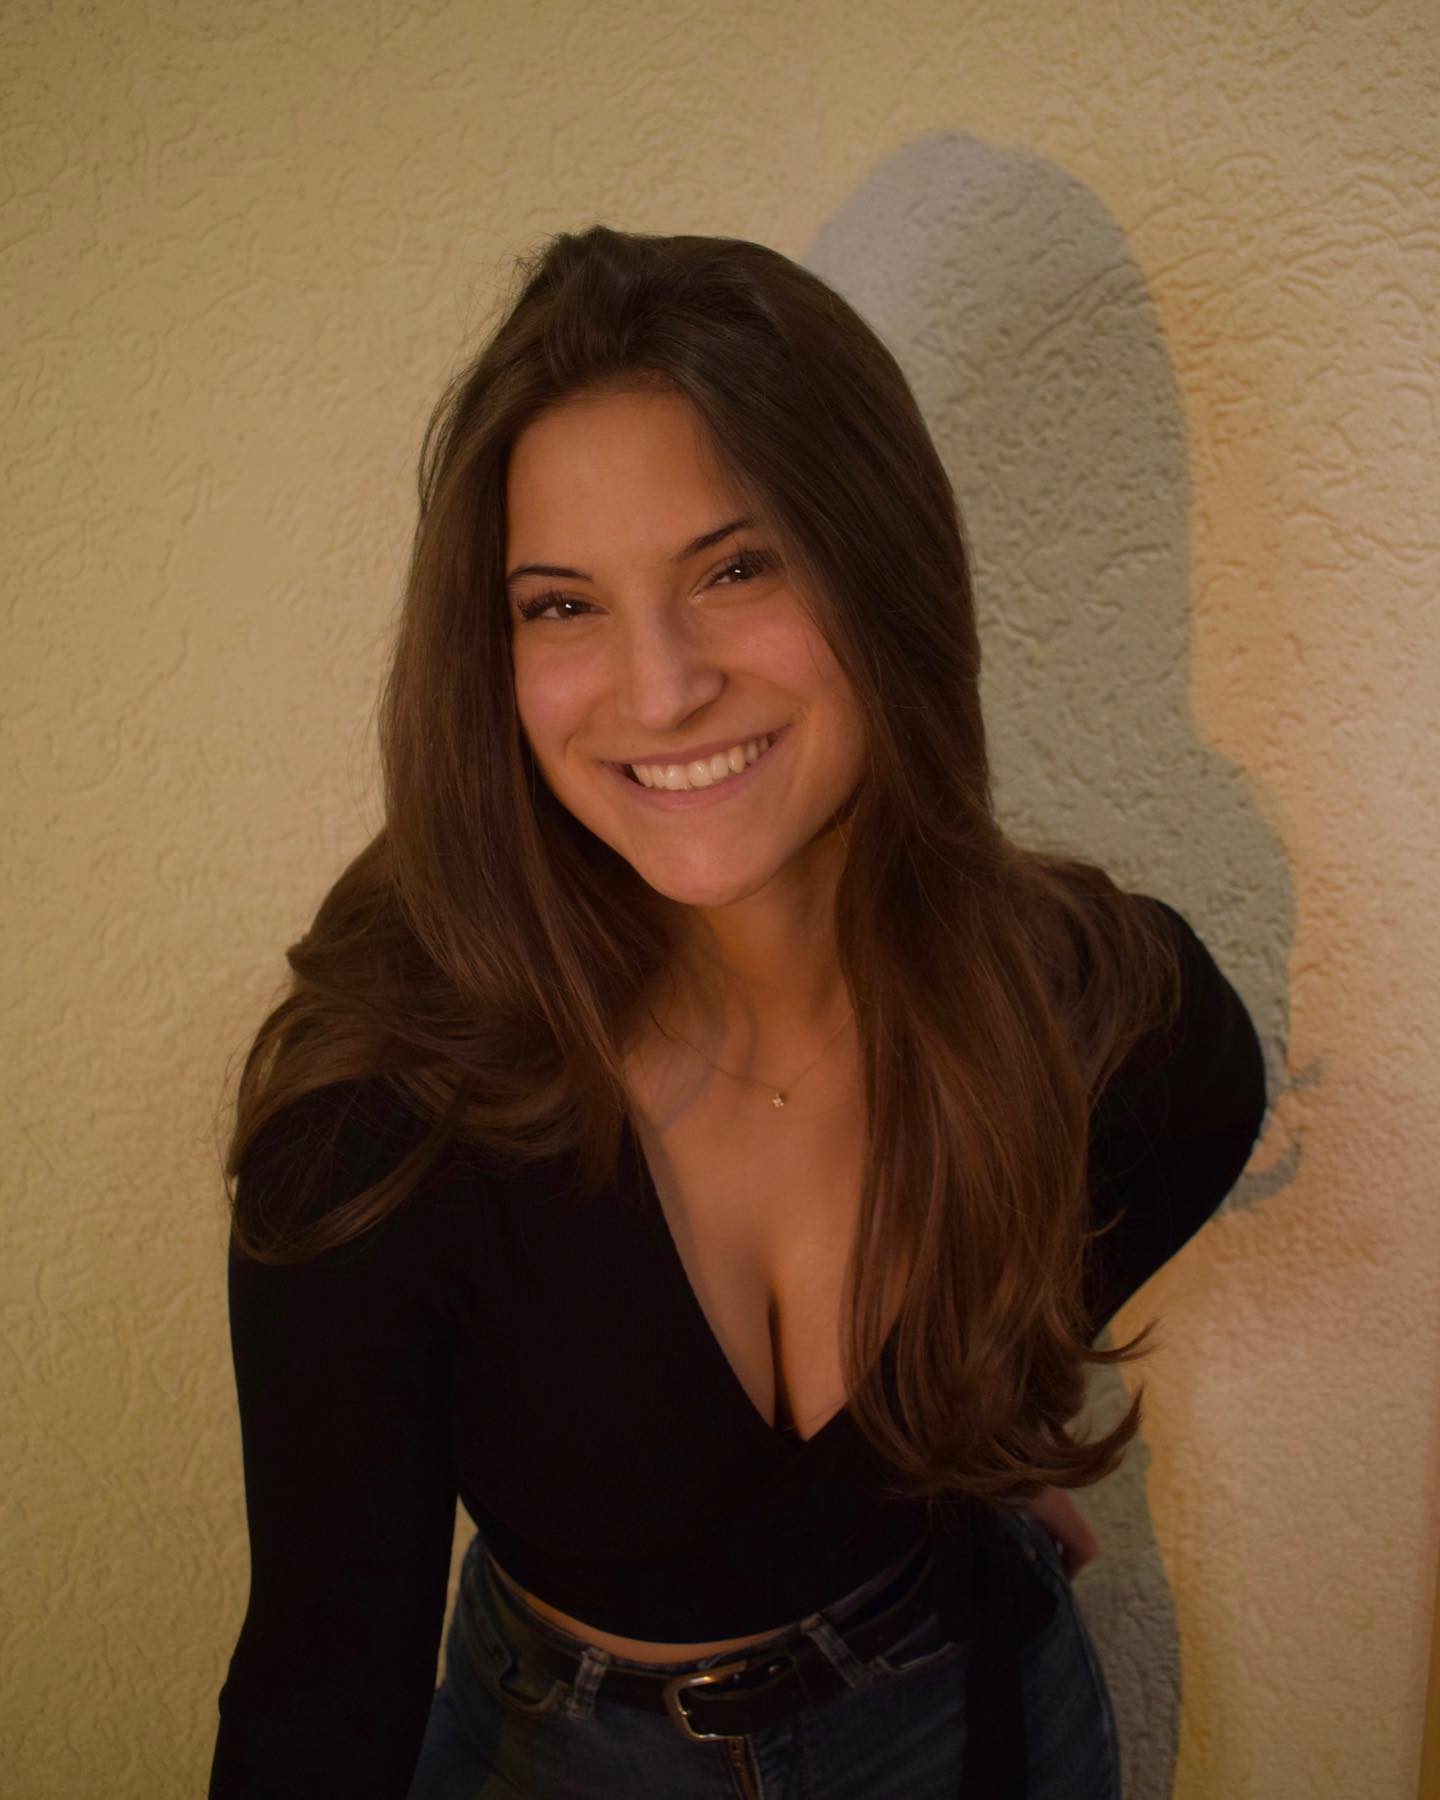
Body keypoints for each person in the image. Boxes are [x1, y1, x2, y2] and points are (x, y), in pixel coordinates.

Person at [207, 225, 1268, 1800]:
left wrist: (939, 1455)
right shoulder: (378, 1122)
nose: (661, 688)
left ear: (883, 568)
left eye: (736, 567)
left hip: (985, 1712)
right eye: (561, 606)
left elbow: (1207, 1105)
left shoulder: (1085, 1002)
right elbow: (317, 1700)